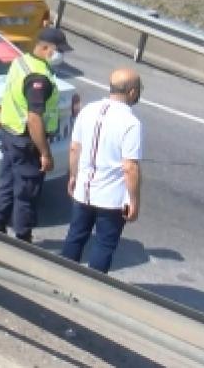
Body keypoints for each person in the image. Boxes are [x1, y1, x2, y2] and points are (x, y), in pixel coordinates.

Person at [0, 26, 72, 242]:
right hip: (27, 140)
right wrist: (45, 153)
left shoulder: (22, 62)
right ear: (45, 48)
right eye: (58, 50)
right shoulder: (39, 77)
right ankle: (23, 238)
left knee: (6, 182)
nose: (61, 55)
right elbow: (35, 118)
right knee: (26, 191)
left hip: (10, 132)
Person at [61, 68, 144, 273]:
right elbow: (130, 167)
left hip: (84, 190)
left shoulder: (88, 110)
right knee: (104, 244)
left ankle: (61, 278)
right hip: (111, 198)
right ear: (132, 92)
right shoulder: (131, 123)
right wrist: (134, 201)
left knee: (75, 236)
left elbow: (74, 148)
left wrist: (73, 176)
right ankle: (92, 287)